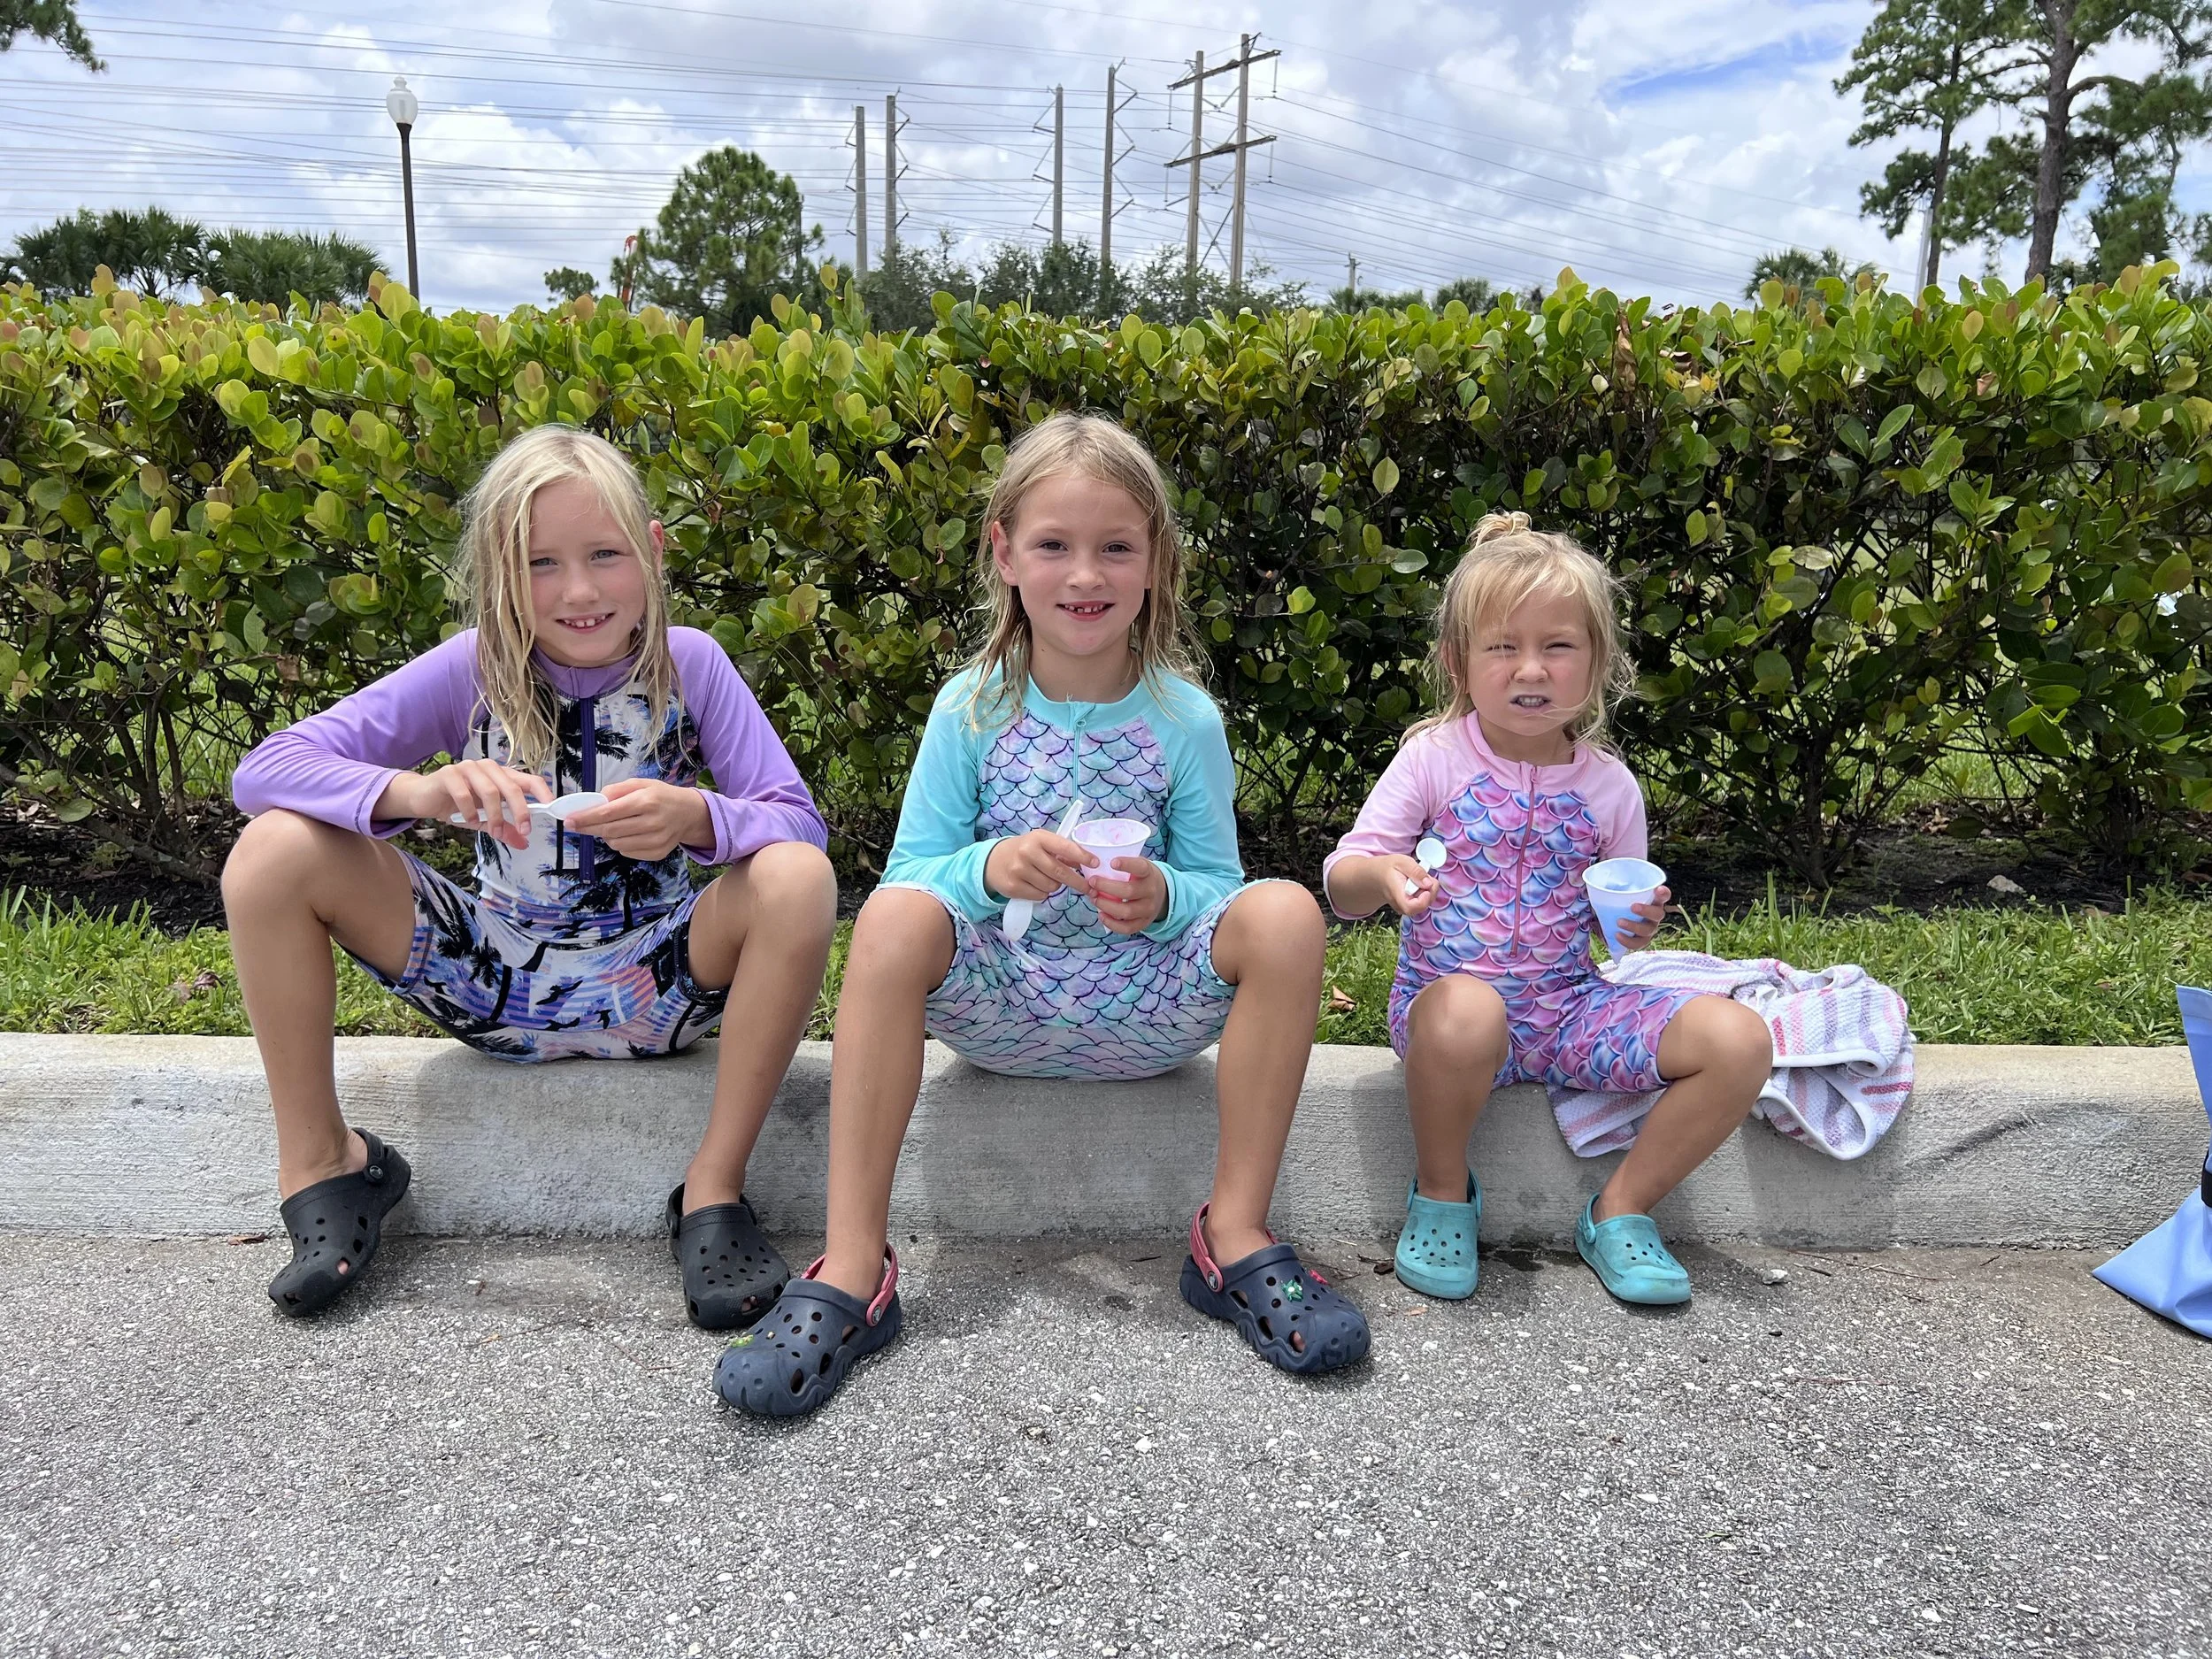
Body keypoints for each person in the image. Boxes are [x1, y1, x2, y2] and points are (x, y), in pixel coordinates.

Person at [714, 412, 1369, 1417]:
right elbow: (911, 874)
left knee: (1283, 913)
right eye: (1054, 545)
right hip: (1003, 1007)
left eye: (1116, 546)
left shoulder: (1181, 717)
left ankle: (1231, 1234)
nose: (1085, 574)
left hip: (1148, 1009)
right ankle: (852, 1266)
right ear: (1005, 552)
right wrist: (989, 868)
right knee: (891, 918)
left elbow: (1220, 890)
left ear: (1155, 562)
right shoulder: (970, 708)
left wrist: (1162, 900)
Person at [225, 424, 835, 1327]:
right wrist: (419, 790)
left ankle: (713, 1190)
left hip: (657, 977)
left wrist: (698, 817)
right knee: (273, 851)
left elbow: (798, 824)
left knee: (794, 877)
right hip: (496, 978)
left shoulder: (690, 663)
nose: (579, 590)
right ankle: (327, 1161)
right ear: (497, 571)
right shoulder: (470, 666)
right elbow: (265, 770)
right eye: (541, 563)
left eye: (604, 555)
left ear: (653, 553)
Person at [1323, 512, 1772, 1306]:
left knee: (1739, 1040)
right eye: (1504, 646)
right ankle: (1442, 1192)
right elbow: (1342, 879)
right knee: (1466, 1011)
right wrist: (1386, 877)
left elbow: (1615, 926)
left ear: (1597, 663)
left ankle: (1621, 1208)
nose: (1531, 668)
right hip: (1447, 1015)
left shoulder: (1608, 787)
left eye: (1558, 646)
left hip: (1569, 1010)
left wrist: (1635, 925)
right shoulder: (1434, 758)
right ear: (1458, 662)